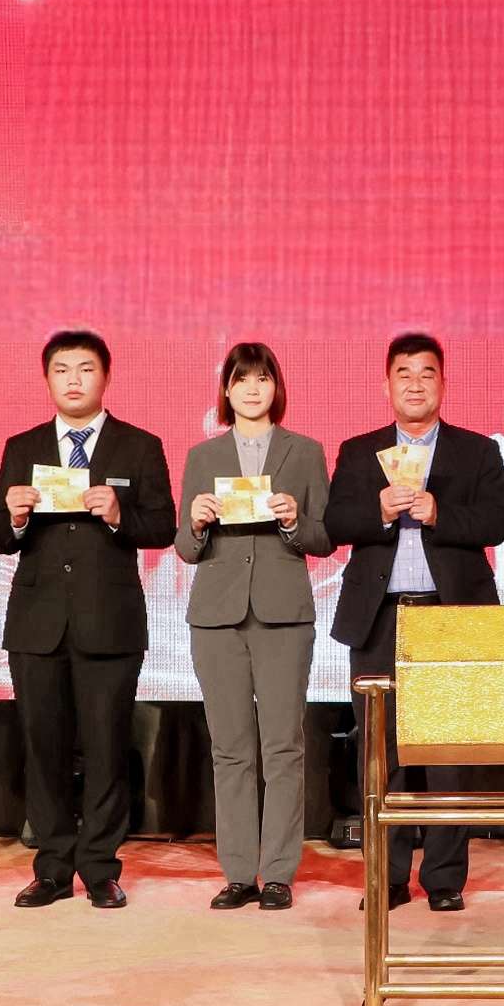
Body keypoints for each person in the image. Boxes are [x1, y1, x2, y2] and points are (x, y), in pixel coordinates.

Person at [0, 330, 177, 910]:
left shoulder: (139, 445)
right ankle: (51, 868)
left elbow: (163, 527)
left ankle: (99, 867)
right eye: (62, 369)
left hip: (110, 622)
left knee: (105, 747)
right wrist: (15, 517)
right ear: (47, 379)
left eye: (86, 368)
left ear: (106, 376)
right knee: (42, 748)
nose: (74, 379)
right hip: (37, 624)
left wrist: (120, 515)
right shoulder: (22, 446)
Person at [326, 332, 504, 912]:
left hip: (451, 618)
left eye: (426, 373)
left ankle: (445, 879)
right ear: (387, 385)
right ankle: (387, 876)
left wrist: (439, 513)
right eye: (403, 373)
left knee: (449, 752)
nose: (414, 384)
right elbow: (334, 522)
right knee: (381, 753)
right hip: (380, 617)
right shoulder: (360, 451)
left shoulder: (477, 450)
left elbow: (497, 523)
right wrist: (378, 512)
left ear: (443, 384)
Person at [174, 343, 331, 911]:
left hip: (283, 613)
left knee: (283, 745)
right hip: (217, 616)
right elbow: (185, 547)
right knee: (231, 748)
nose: (252, 389)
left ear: (276, 387)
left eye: (262, 378)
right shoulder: (202, 455)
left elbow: (324, 538)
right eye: (241, 379)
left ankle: (280, 871)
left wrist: (294, 522)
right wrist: (196, 523)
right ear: (227, 390)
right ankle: (239, 871)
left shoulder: (305, 452)